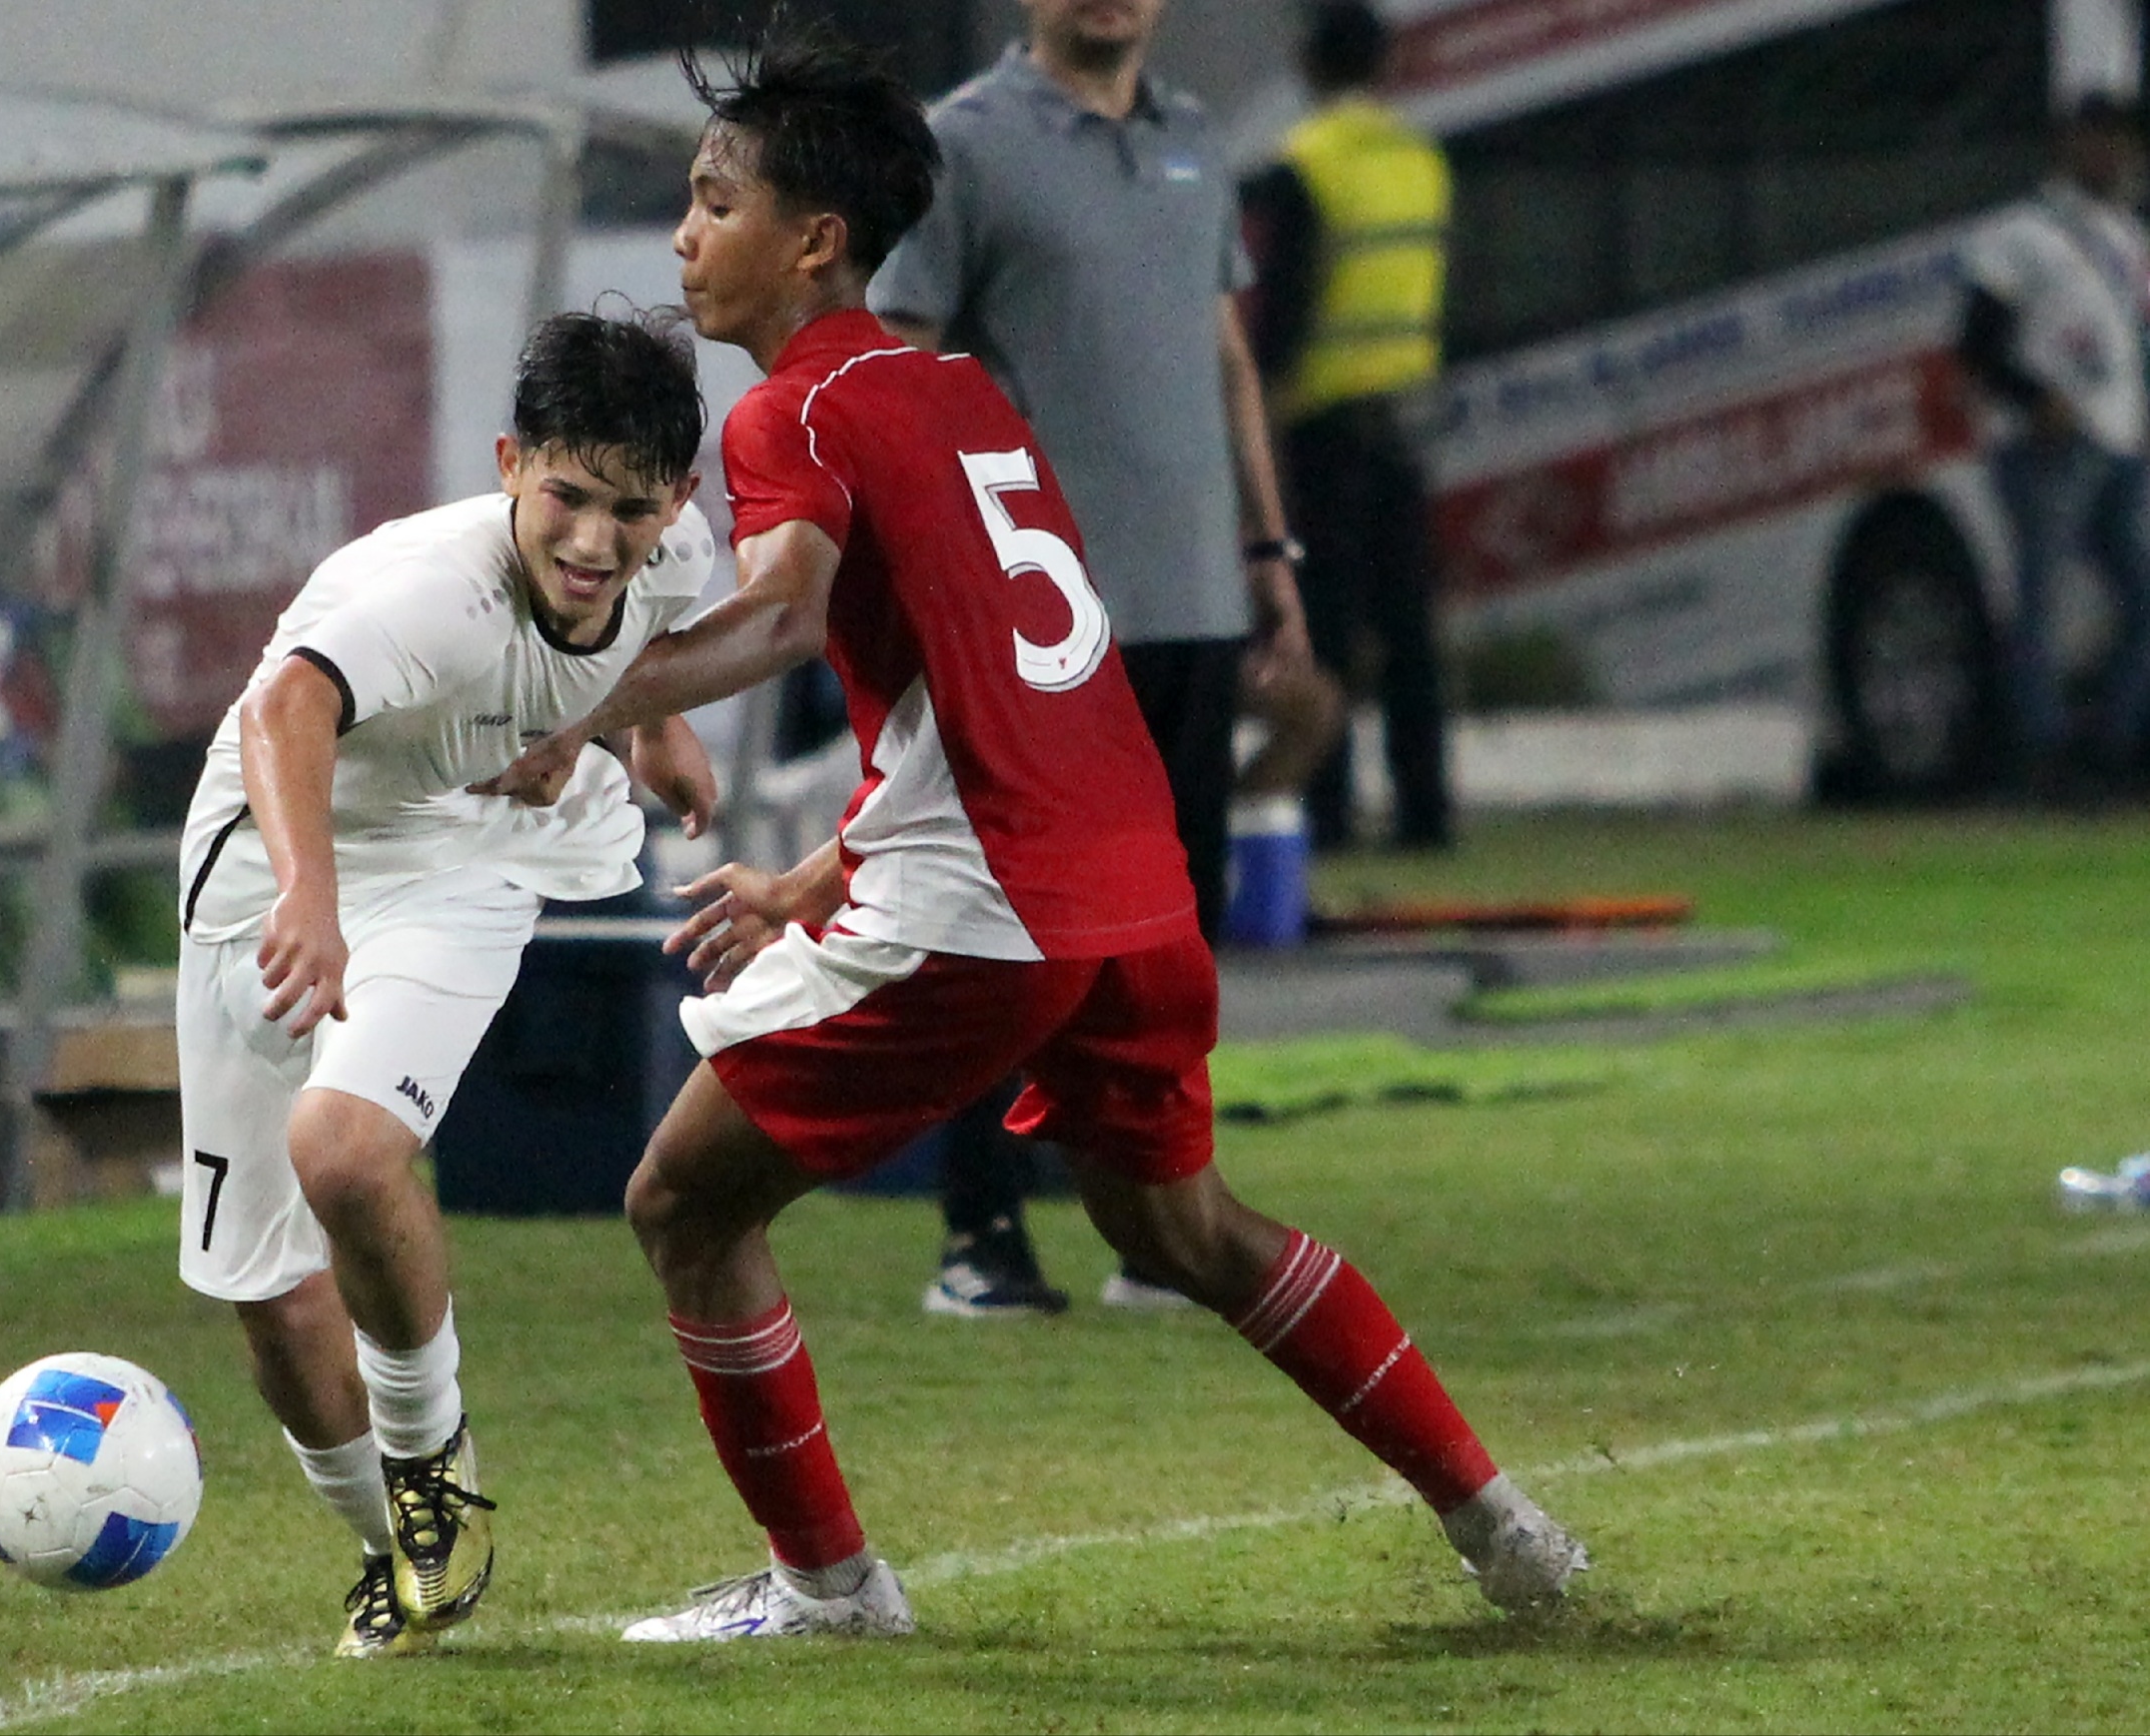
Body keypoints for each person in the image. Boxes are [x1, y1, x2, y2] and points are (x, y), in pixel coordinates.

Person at [482, 27, 1589, 1641]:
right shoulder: (956, 392)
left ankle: (831, 1587)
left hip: (995, 897)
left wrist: (586, 700)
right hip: (1126, 878)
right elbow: (989, 697)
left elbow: (785, 618)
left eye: (713, 201)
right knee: (1180, 1224)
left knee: (684, 1204)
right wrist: (819, 873)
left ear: (815, 240)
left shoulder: (790, 411)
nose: (681, 237)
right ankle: (1508, 1527)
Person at [172, 309, 718, 1658]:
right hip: (282, 851)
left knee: (346, 1153)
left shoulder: (678, 551)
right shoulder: (433, 593)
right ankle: (393, 1551)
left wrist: (640, 725)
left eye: (629, 509)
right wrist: (309, 894)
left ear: (677, 502)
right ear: (509, 466)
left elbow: (639, 624)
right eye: (566, 498)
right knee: (268, 1293)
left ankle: (431, 1466)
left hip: (469, 850)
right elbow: (281, 709)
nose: (594, 539)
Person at [866, 0, 1314, 1316]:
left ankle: (1151, 1233)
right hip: (1039, 618)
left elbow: (1224, 354)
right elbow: (899, 355)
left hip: (1192, 600)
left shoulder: (1196, 140)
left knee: (1168, 939)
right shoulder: (964, 145)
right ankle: (979, 1234)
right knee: (1012, 929)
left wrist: (1269, 550)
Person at [1240, 0, 1456, 852]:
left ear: (1309, 66)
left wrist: (1262, 423)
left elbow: (1281, 315)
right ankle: (1427, 814)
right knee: (1409, 630)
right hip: (1405, 421)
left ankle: (1326, 816)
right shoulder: (1423, 160)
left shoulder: (1305, 166)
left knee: (1323, 629)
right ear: (1385, 64)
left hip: (1323, 430)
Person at [1958, 94, 2150, 787]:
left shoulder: (2128, 238)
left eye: (2124, 142)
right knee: (2039, 599)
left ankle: (2112, 747)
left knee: (2141, 596)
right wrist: (2037, 398)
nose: (2117, 156)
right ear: (2071, 146)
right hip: (2048, 446)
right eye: (2103, 141)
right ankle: (2043, 754)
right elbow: (1976, 343)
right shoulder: (2023, 235)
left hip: (2119, 442)